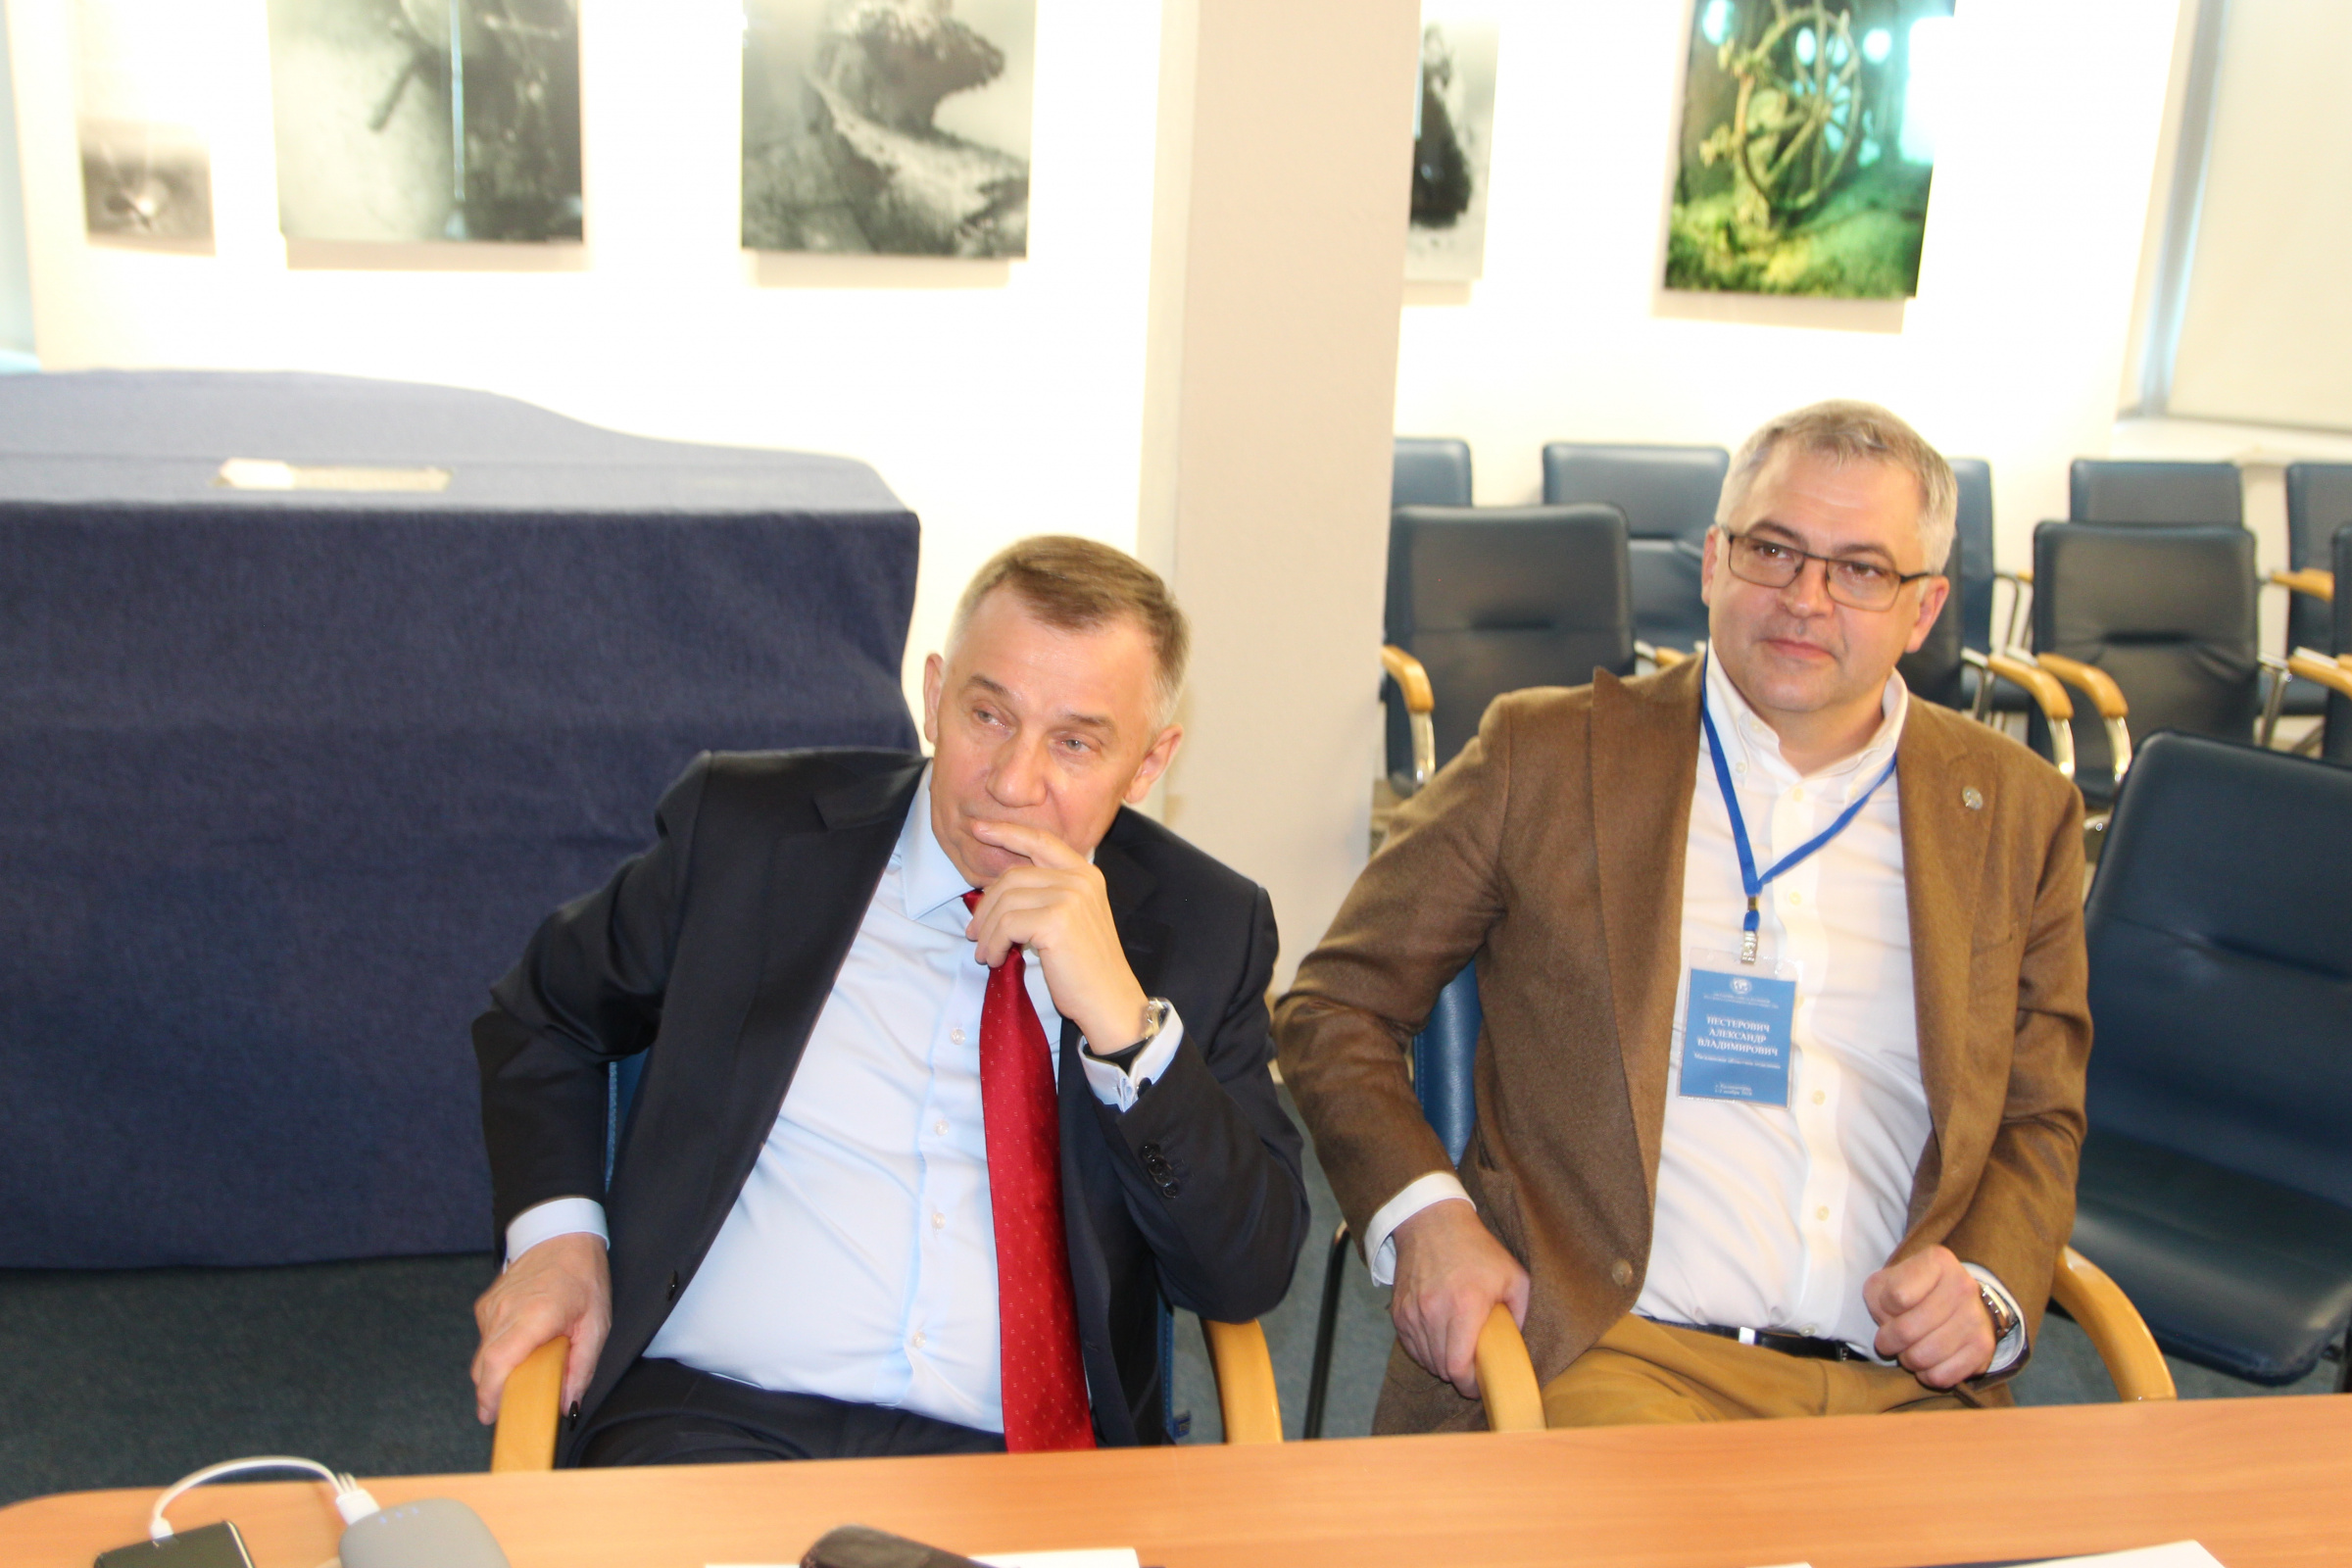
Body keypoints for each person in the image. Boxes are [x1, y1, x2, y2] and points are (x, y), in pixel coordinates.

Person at [1277, 401, 2090, 1431]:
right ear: (1713, 562)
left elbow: (2037, 1112)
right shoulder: (1549, 758)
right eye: (1773, 549)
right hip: (1618, 1356)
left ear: (1923, 610)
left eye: (1860, 569)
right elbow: (1334, 1007)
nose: (1804, 599)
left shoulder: (2017, 811)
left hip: (1908, 1386)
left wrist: (1989, 1289)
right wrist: (1427, 1216)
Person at [470, 536, 1308, 1464]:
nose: (1014, 782)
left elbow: (1244, 1273)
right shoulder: (752, 835)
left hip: (1021, 1464)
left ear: (1149, 765)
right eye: (988, 715)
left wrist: (1124, 1029)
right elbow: (542, 1015)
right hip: (715, 1424)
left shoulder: (1206, 927)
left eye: (1074, 743)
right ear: (934, 694)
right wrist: (556, 1240)